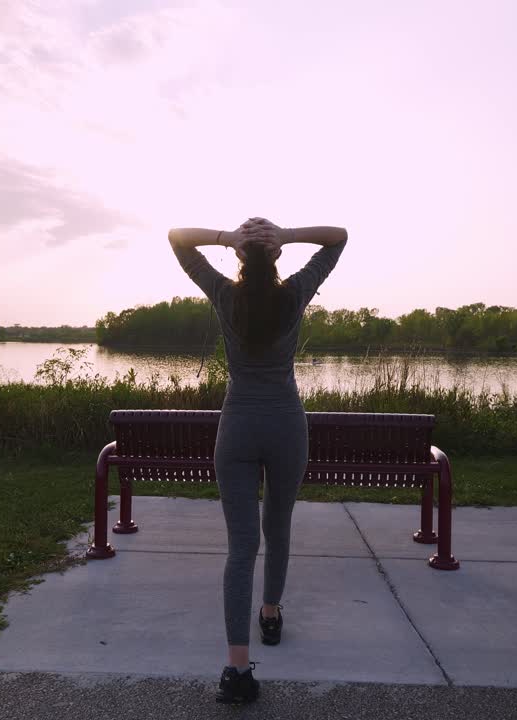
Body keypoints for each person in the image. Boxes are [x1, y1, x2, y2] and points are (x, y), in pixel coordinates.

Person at [168, 217, 348, 704]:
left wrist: (229, 238)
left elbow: (177, 239)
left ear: (240, 258)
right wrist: (284, 236)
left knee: (241, 547)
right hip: (286, 425)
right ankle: (270, 614)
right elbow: (338, 238)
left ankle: (237, 669)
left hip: (238, 429)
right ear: (276, 257)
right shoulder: (295, 294)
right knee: (279, 527)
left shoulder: (225, 296)